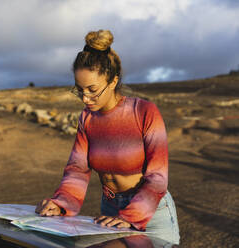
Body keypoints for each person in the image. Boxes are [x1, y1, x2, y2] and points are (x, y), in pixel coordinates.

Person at [35, 29, 180, 245]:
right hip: (111, 209)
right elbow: (78, 169)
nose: (85, 98)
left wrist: (131, 216)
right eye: (80, 90)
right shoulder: (87, 118)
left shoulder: (144, 112)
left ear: (113, 81)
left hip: (150, 212)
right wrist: (61, 203)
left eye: (92, 90)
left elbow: (157, 176)